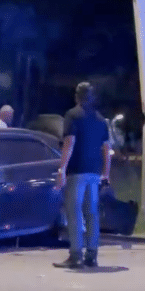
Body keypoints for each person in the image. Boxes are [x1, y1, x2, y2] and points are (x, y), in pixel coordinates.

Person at [53, 82, 110, 269]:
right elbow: (106, 149)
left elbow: (69, 142)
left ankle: (76, 255)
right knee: (91, 213)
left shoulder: (72, 115)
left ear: (77, 96)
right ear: (92, 97)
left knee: (74, 212)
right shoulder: (101, 120)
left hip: (77, 171)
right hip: (94, 173)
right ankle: (92, 255)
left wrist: (62, 169)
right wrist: (106, 173)